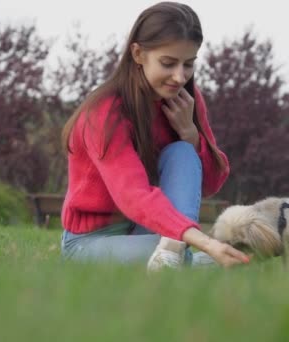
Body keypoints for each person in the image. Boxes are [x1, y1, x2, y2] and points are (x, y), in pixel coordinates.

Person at [59, 1, 249, 270]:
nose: (179, 76)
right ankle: (189, 256)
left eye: (188, 64)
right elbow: (132, 195)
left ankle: (175, 252)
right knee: (177, 256)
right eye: (168, 63)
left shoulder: (185, 102)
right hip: (89, 242)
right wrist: (206, 243)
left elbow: (210, 185)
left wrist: (191, 137)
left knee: (182, 152)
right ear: (138, 53)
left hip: (147, 228)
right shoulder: (104, 112)